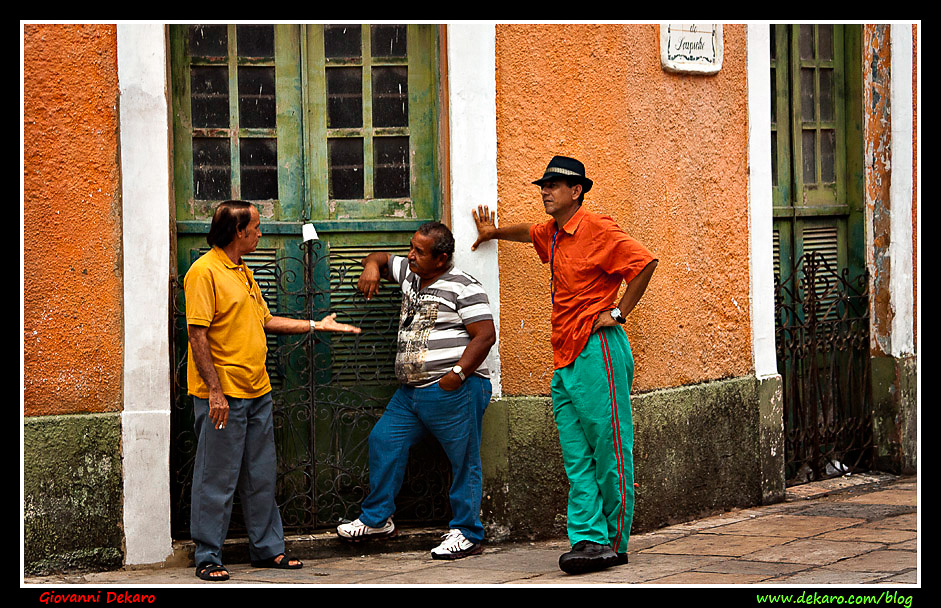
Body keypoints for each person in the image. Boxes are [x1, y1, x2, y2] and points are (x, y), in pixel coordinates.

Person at [470, 156, 657, 574]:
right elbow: (527, 231)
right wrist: (493, 231)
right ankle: (588, 539)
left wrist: (620, 312)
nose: (545, 190)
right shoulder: (552, 232)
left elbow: (644, 263)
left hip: (599, 349)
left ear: (577, 191)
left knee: (610, 450)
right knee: (577, 457)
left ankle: (615, 541)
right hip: (565, 357)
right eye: (544, 184)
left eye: (555, 184)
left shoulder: (599, 228)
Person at [185, 200, 361, 582]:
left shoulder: (242, 272)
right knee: (215, 477)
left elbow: (264, 320)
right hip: (223, 396)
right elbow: (197, 333)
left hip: (256, 389)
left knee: (260, 475)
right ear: (239, 231)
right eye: (257, 227)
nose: (261, 233)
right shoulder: (204, 272)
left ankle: (267, 550)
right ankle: (208, 555)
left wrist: (316, 325)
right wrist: (214, 391)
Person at [336, 221, 496, 560]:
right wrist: (370, 267)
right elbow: (379, 257)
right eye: (411, 247)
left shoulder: (464, 286)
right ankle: (378, 520)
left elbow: (484, 335)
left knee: (463, 460)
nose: (410, 255)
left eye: (419, 252)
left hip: (453, 390)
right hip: (410, 394)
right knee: (384, 440)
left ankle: (467, 532)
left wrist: (457, 374)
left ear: (441, 258)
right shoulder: (410, 274)